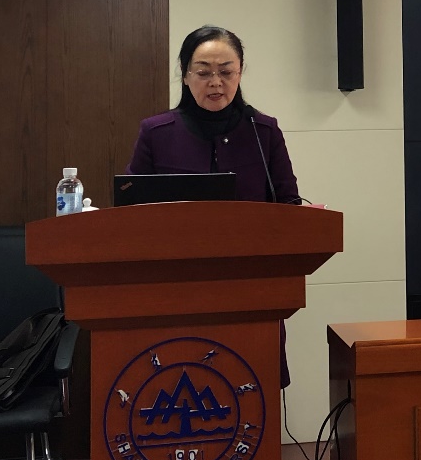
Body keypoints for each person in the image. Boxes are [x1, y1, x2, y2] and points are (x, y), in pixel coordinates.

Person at [126, 25, 300, 388]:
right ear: (185, 75)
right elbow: (130, 212)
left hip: (250, 290)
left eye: (226, 71)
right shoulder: (157, 133)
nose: (215, 82)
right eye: (204, 72)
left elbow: (289, 205)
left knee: (251, 392)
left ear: (240, 73)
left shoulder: (263, 132)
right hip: (173, 291)